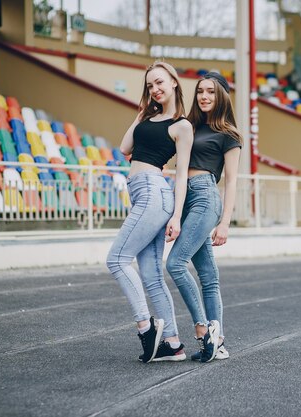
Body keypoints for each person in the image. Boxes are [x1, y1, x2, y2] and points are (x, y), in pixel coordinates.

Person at [106, 61, 193, 363]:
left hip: (155, 193)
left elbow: (181, 174)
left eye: (159, 83)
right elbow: (124, 147)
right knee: (152, 275)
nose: (154, 89)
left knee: (116, 260)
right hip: (142, 193)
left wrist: (177, 216)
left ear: (173, 82)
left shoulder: (182, 126)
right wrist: (142, 112)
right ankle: (172, 343)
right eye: (149, 86)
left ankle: (146, 327)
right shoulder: (148, 117)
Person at [166, 72, 242, 363]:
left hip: (205, 196)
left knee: (175, 263)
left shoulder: (229, 134)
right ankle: (218, 342)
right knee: (209, 277)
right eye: (200, 91)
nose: (204, 96)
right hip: (183, 198)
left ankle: (203, 329)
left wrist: (225, 222)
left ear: (221, 95)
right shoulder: (189, 126)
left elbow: (232, 181)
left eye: (210, 91)